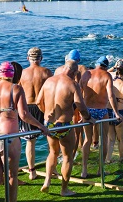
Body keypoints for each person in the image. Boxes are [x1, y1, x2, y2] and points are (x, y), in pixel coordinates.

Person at [0, 62, 49, 202]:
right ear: (12, 75)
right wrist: (41, 126)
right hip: (7, 136)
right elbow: (24, 115)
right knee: (11, 175)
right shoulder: (16, 89)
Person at [36, 60, 95, 196]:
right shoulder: (72, 84)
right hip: (64, 125)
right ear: (74, 72)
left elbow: (39, 101)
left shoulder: (49, 81)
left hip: (49, 123)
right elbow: (80, 105)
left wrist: (46, 112)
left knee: (52, 152)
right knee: (67, 157)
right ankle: (64, 189)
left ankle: (47, 181)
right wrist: (88, 117)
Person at [79, 56, 123, 178]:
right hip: (102, 110)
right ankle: (100, 169)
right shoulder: (107, 76)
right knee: (104, 139)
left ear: (97, 64)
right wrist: (117, 113)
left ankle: (84, 170)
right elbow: (110, 96)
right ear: (106, 66)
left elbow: (78, 93)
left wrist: (80, 111)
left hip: (87, 110)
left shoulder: (86, 74)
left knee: (87, 140)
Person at [18, 47, 53, 180]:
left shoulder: (22, 74)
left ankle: (32, 171)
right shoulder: (47, 72)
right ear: (41, 58)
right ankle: (53, 168)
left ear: (28, 58)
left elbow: (17, 92)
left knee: (30, 142)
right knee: (50, 139)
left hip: (27, 109)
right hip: (43, 107)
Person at [105, 65, 123, 163]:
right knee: (121, 139)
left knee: (110, 138)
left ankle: (107, 159)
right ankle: (122, 159)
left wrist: (114, 67)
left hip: (109, 110)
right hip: (121, 112)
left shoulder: (110, 82)